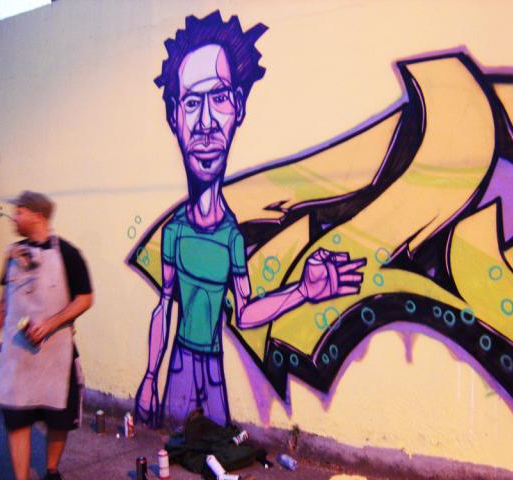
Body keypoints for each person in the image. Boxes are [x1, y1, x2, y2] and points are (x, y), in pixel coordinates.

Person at [134, 11, 365, 428]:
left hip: (213, 370)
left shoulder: (231, 238)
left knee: (218, 446)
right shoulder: (175, 232)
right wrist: (151, 377)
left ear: (238, 107)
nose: (206, 123)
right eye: (192, 102)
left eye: (220, 98)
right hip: (181, 365)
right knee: (177, 446)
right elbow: (163, 306)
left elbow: (245, 314)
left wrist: (303, 291)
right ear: (174, 115)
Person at [0, 191, 93, 480]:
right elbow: (5, 300)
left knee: (59, 419)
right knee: (17, 420)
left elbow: (85, 298)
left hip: (56, 355)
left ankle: (51, 470)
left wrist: (49, 324)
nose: (14, 217)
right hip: (17, 356)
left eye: (20, 211)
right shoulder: (13, 254)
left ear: (38, 215)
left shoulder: (68, 254)